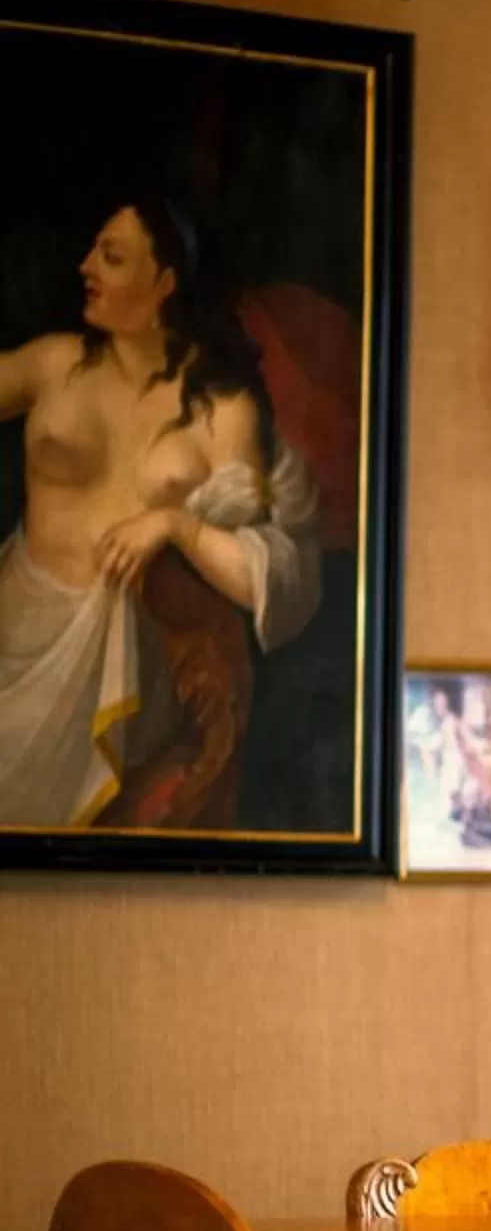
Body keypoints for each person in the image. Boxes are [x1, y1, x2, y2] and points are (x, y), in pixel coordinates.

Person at [0, 193, 321, 828]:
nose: (86, 266)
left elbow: (272, 580)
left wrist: (176, 524)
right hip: (12, 633)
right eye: (93, 249)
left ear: (165, 283)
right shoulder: (54, 362)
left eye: (111, 257)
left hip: (122, 677)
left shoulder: (221, 412)